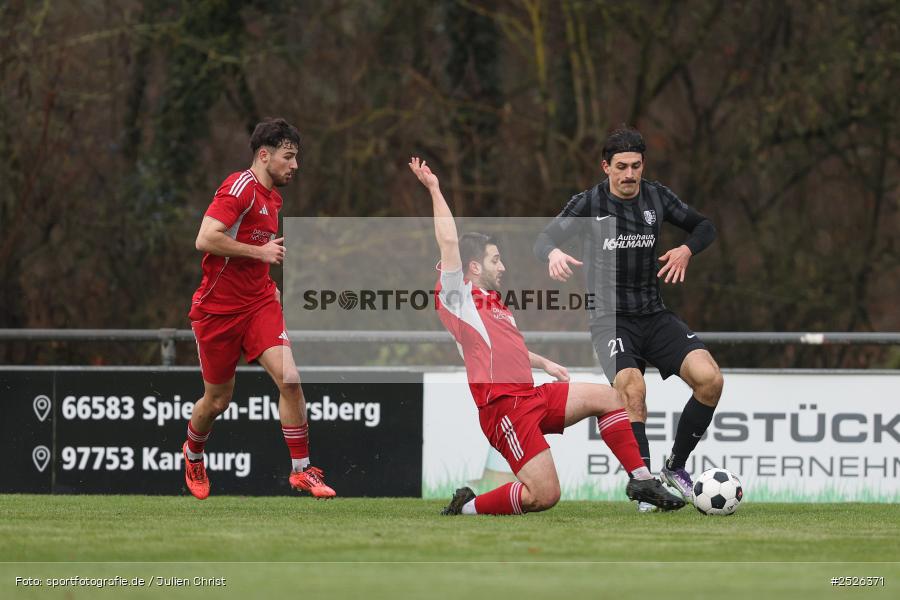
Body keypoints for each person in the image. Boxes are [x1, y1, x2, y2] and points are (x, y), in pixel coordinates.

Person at [408, 156, 684, 515]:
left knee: (611, 398)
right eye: (495, 260)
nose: (503, 266)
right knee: (544, 495)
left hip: (531, 395)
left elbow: (507, 351)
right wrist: (435, 188)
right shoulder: (457, 297)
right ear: (473, 266)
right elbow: (447, 240)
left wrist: (545, 362)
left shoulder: (494, 303)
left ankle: (641, 479)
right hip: (503, 408)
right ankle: (466, 508)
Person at [534, 127, 723, 511]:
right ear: (606, 167)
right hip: (611, 320)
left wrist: (686, 249)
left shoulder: (656, 195)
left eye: (635, 166)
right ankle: (646, 486)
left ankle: (676, 467)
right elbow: (543, 240)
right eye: (620, 167)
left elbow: (706, 226)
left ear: (643, 165)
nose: (629, 174)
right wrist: (552, 253)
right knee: (633, 390)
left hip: (654, 314)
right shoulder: (588, 202)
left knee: (710, 380)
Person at [183, 118, 335, 500]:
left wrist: (270, 286)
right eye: (288, 156)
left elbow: (255, 253)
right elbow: (205, 238)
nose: (295, 165)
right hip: (217, 311)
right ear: (264, 155)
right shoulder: (240, 188)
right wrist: (261, 252)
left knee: (291, 380)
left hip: (259, 304)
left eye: (296, 157)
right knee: (217, 401)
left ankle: (302, 471)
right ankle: (193, 453)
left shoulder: (273, 198)